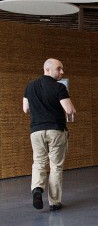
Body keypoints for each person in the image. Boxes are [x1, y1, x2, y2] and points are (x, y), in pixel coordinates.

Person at [23, 58, 76, 212]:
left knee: (38, 162)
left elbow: (25, 108)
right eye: (59, 69)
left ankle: (37, 189)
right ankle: (54, 202)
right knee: (56, 166)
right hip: (55, 130)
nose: (62, 72)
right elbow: (70, 110)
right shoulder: (59, 87)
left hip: (36, 131)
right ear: (47, 69)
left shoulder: (30, 86)